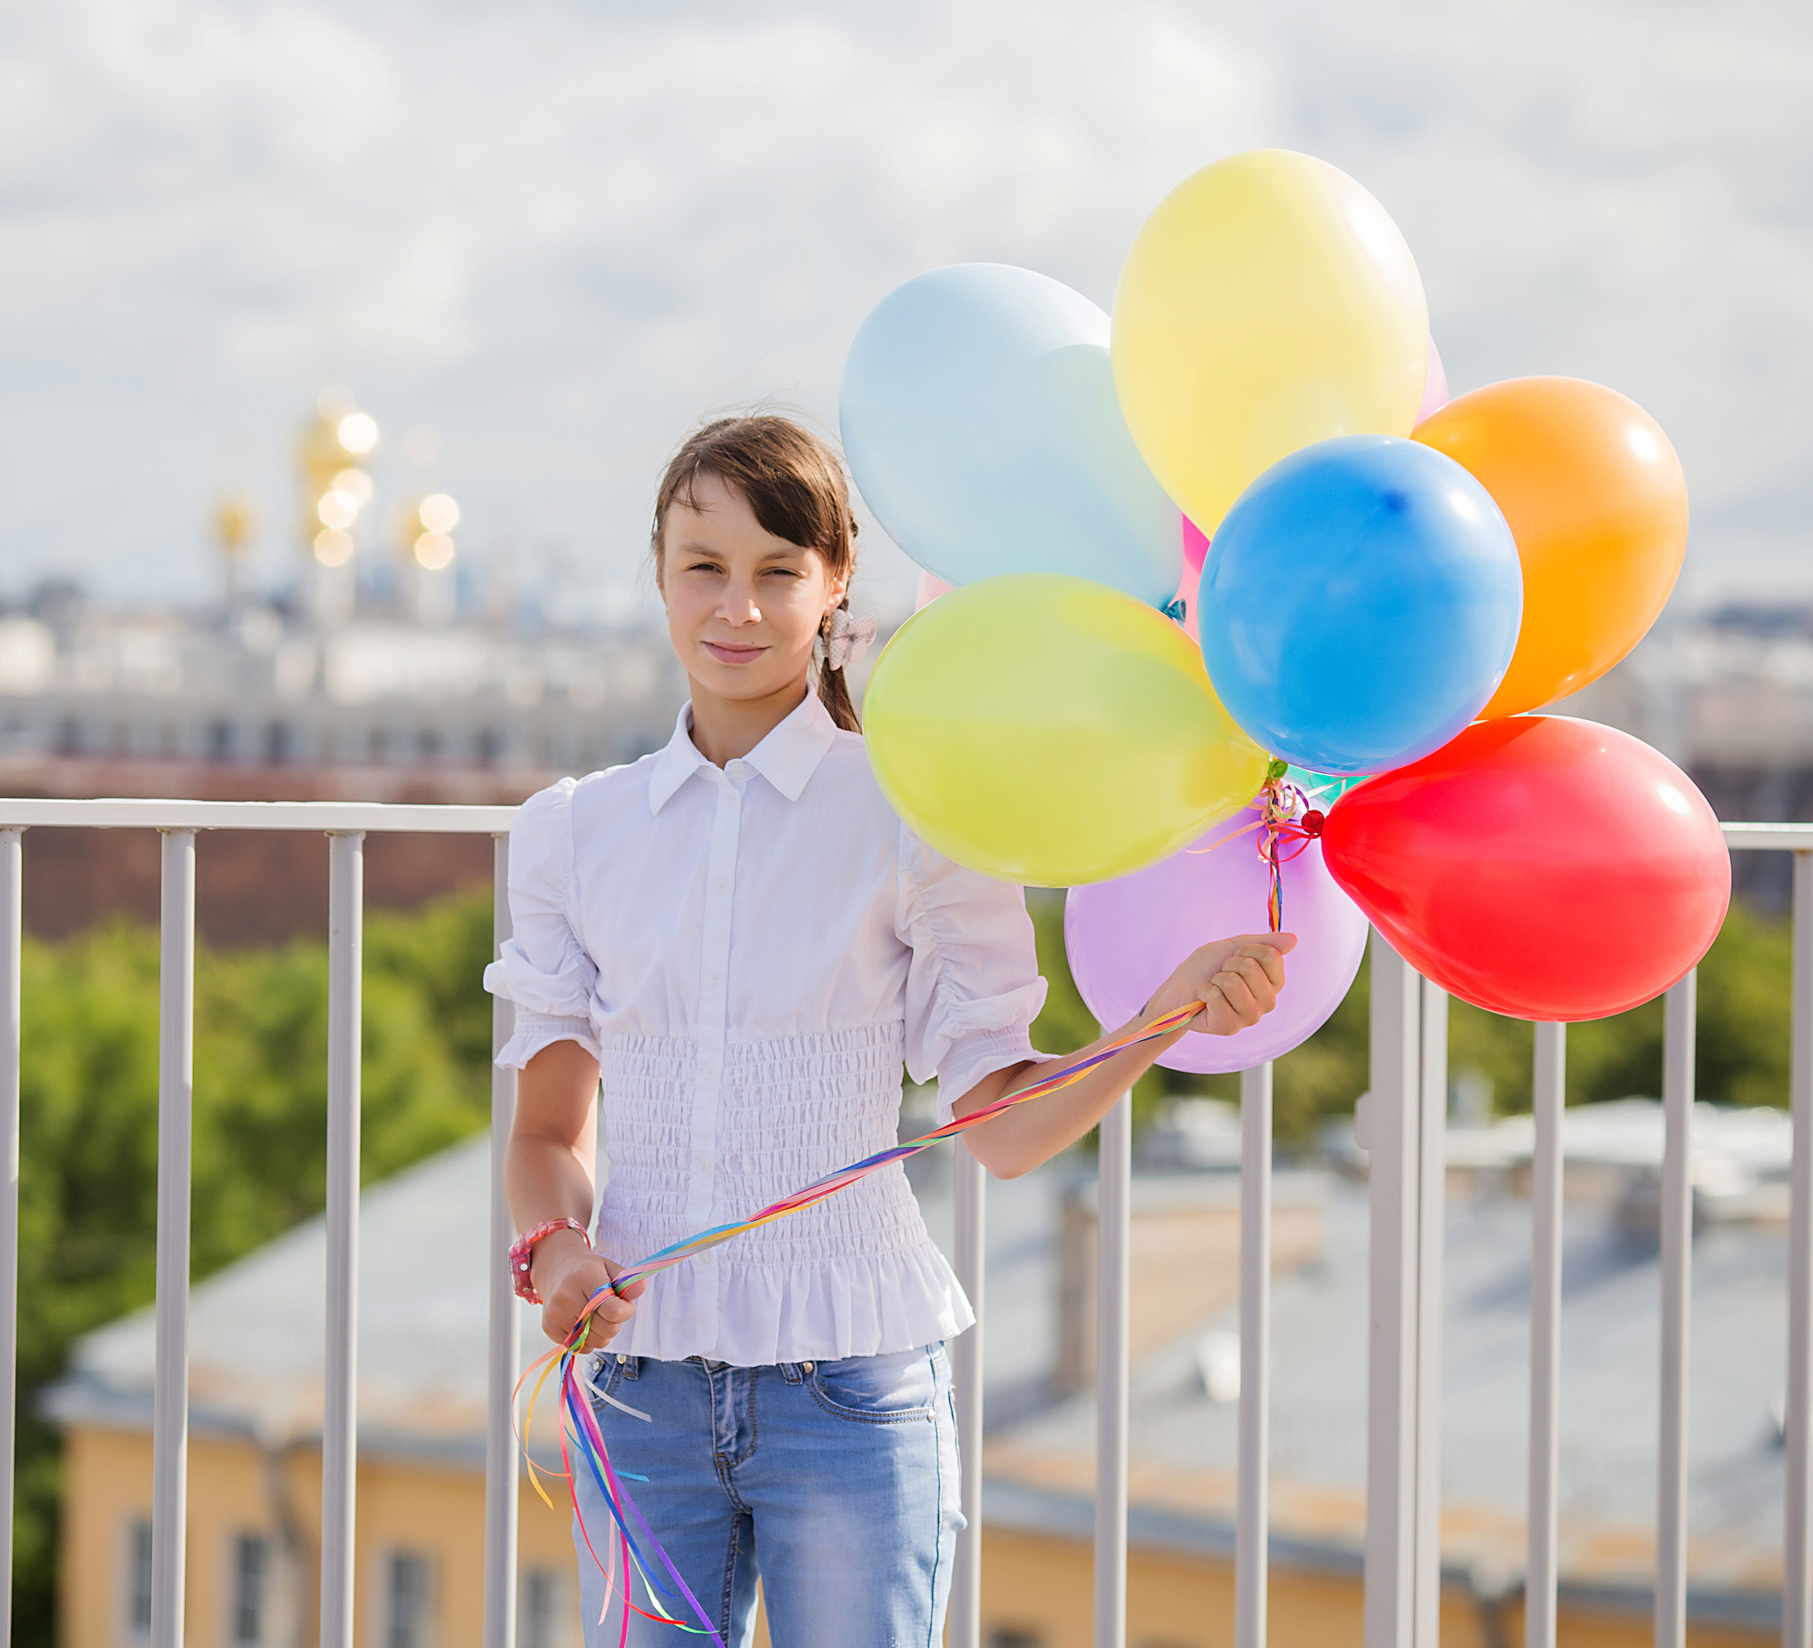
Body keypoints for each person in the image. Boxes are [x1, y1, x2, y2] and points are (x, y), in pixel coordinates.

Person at [487, 413, 1294, 1647]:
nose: (736, 607)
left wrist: (1154, 1020)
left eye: (777, 571)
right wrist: (557, 1253)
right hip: (640, 1393)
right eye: (703, 567)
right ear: (656, 572)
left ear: (835, 586)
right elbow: (547, 1136)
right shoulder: (572, 834)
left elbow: (1000, 1129)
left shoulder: (919, 812)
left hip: (850, 1396)